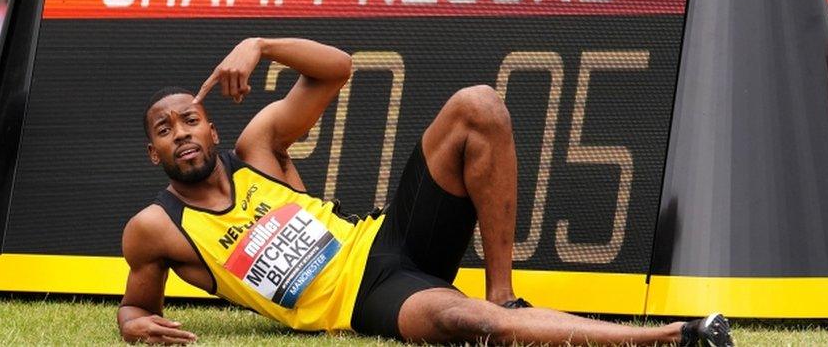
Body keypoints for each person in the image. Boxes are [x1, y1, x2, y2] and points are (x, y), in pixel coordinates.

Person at [118, 37, 733, 346]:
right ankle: (674, 337)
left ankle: (505, 295)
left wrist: (259, 44)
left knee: (478, 104)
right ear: (155, 154)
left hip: (387, 238)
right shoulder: (157, 227)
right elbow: (134, 307)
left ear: (211, 125)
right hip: (359, 301)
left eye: (189, 119)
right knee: (460, 319)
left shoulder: (255, 150)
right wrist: (134, 326)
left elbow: (334, 68)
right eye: (165, 131)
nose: (181, 134)